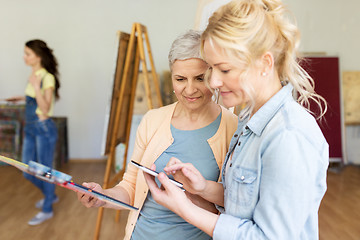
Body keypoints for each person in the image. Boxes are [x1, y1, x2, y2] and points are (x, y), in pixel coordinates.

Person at [144, 0, 329, 239]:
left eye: (225, 70)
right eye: (211, 69)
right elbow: (248, 201)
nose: (213, 82)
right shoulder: (248, 119)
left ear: (265, 63)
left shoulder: (288, 135)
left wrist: (185, 208)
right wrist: (203, 188)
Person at [77, 30, 238, 240]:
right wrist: (102, 196)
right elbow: (131, 186)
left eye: (200, 78)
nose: (190, 90)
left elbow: (237, 200)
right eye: (180, 79)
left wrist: (196, 191)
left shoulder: (233, 127)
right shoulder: (152, 120)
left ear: (213, 76)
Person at [6, 39, 60, 225]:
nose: (24, 57)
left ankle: (47, 208)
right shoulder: (34, 74)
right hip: (30, 127)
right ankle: (50, 195)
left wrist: (36, 86)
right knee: (26, 171)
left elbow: (45, 108)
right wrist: (22, 98)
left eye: (27, 53)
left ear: (38, 56)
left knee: (44, 171)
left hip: (43, 128)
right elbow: (34, 100)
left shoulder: (46, 78)